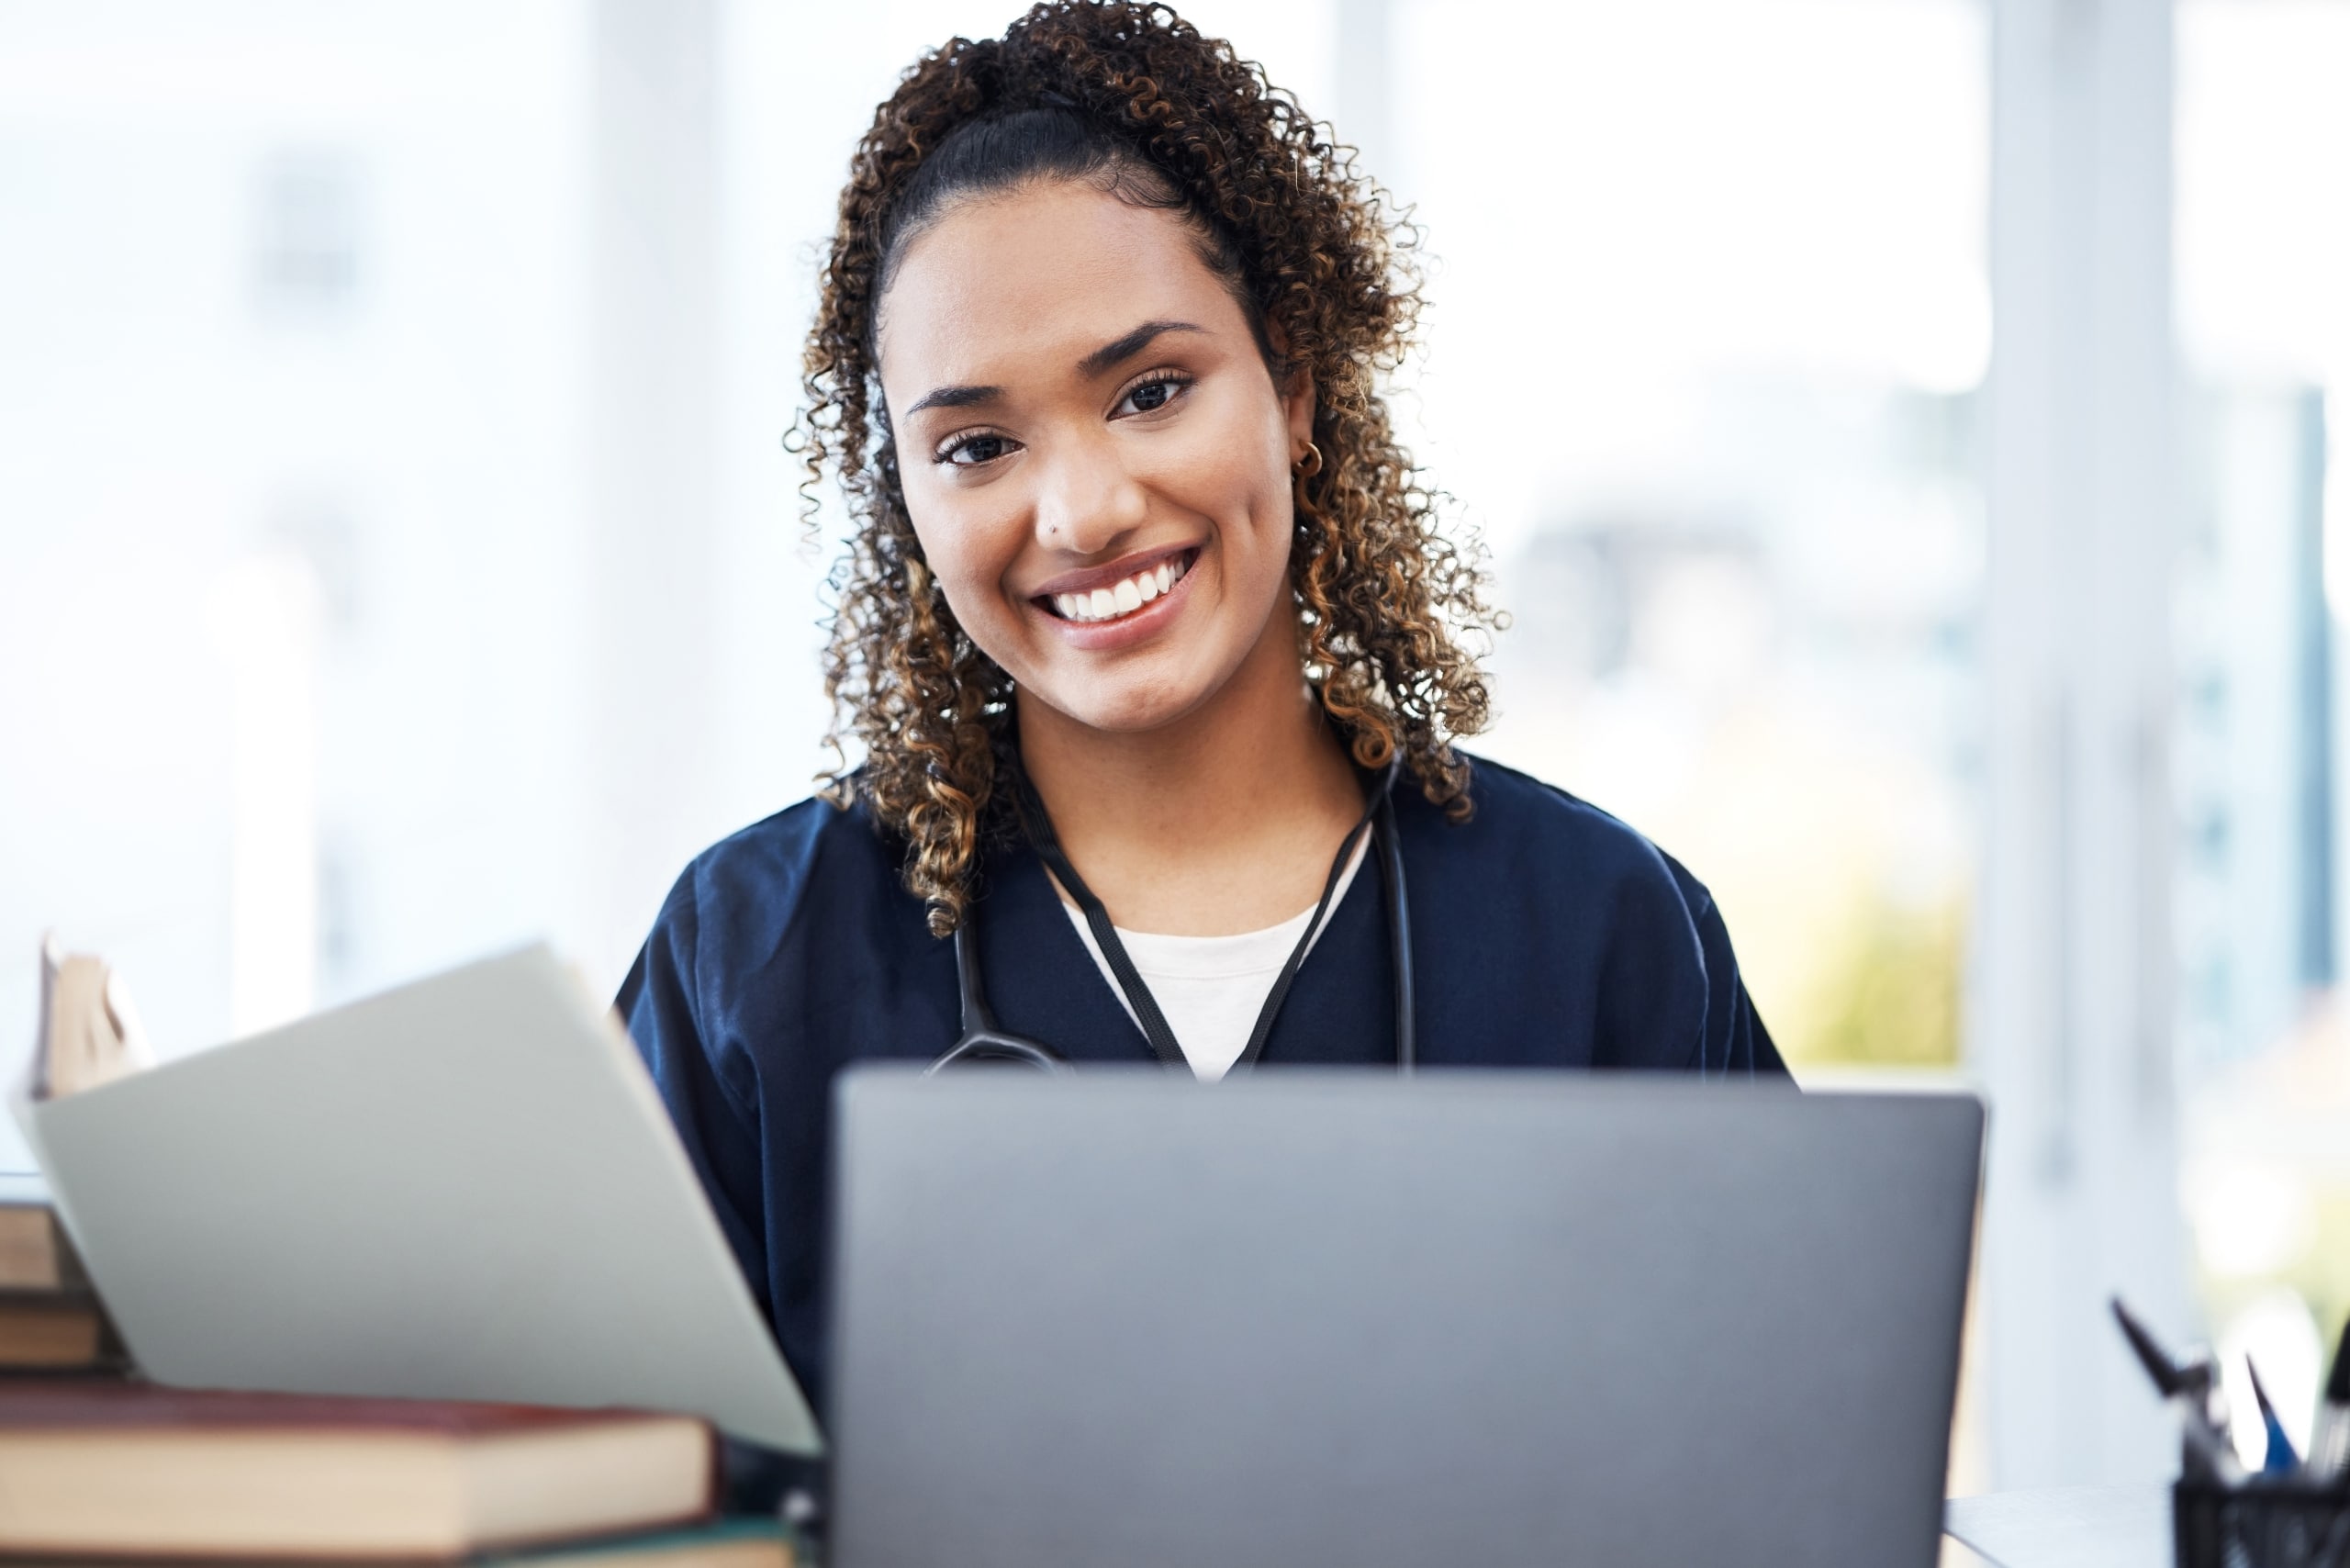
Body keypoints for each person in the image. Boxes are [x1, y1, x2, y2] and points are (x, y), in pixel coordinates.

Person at [619, 0, 1788, 1426]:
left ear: (1291, 382)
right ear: (907, 497)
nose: (1085, 511)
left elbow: (1777, 1462)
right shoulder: (754, 958)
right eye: (978, 444)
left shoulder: (1606, 932)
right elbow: (616, 1500)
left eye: (1152, 390)